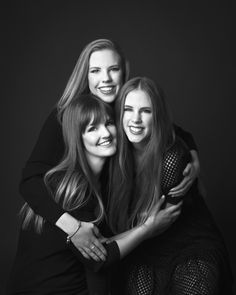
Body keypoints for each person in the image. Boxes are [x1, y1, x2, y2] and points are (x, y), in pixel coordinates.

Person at [18, 38, 200, 261]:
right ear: (85, 76)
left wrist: (192, 153)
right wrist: (73, 228)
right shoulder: (65, 116)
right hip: (71, 220)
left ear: (124, 72)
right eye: (95, 70)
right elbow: (29, 181)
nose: (105, 78)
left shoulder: (123, 107)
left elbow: (165, 126)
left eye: (113, 69)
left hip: (111, 218)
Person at [7, 94, 184, 294]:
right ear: (78, 139)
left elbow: (100, 244)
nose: (106, 133)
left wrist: (190, 150)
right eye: (92, 129)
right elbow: (101, 258)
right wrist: (148, 229)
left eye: (108, 123)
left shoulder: (93, 183)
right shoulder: (74, 189)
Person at [108, 77, 233, 294]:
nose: (135, 119)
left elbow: (163, 221)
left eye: (145, 111)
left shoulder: (171, 157)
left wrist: (111, 242)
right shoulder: (112, 149)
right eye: (128, 109)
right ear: (119, 113)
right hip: (143, 245)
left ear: (157, 116)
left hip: (187, 245)